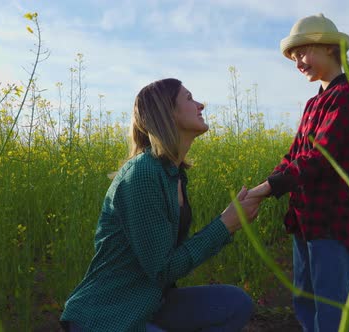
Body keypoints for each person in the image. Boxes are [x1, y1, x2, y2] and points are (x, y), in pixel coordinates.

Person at [60, 78, 260, 332]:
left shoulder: (173, 174)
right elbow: (164, 270)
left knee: (235, 304)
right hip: (107, 315)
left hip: (150, 301)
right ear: (168, 113)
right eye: (189, 99)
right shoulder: (142, 174)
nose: (201, 104)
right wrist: (225, 225)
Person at [247, 13, 349, 332]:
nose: (299, 61)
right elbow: (294, 156)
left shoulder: (348, 99)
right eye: (294, 55)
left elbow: (318, 158)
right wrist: (265, 186)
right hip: (305, 219)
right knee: (305, 299)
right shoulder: (314, 103)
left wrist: (268, 189)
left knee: (331, 307)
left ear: (330, 48)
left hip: (333, 222)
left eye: (304, 52)